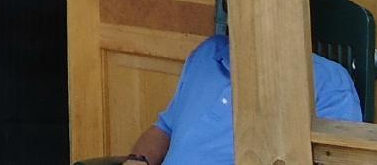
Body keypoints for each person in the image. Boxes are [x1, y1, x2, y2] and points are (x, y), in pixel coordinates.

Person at [115, 24, 361, 165]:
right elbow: (165, 128)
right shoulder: (208, 53)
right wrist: (139, 160)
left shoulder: (326, 82)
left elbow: (336, 160)